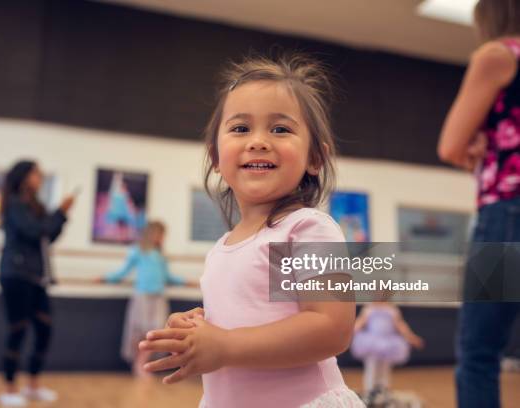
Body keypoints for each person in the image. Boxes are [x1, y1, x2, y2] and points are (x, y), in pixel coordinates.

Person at [139, 54, 364, 407]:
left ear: (315, 159)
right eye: (241, 128)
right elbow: (239, 317)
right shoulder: (220, 248)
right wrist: (195, 328)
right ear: (215, 154)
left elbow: (331, 328)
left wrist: (225, 345)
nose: (258, 141)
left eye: (281, 129)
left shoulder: (308, 229)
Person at [437, 1, 520, 407]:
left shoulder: (499, 54)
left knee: (479, 353)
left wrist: (475, 151)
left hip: (508, 213)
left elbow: (450, 145)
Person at [0, 160, 75, 407]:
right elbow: (34, 231)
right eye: (35, 172)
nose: (40, 176)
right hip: (16, 276)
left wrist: (62, 215)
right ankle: (9, 388)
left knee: (44, 329)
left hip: (36, 278)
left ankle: (32, 385)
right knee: (17, 330)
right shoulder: (15, 204)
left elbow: (48, 235)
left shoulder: (35, 205)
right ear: (23, 176)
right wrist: (60, 212)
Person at [98, 221, 194, 378]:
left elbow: (168, 277)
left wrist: (186, 282)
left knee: (155, 331)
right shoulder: (138, 251)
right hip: (142, 297)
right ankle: (138, 363)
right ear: (151, 234)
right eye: (160, 234)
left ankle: (142, 363)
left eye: (163, 235)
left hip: (158, 298)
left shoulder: (161, 256)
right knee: (139, 331)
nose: (162, 238)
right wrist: (105, 278)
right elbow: (123, 272)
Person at [351, 301, 424, 405]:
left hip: (388, 344)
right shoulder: (369, 308)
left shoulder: (392, 309)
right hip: (372, 343)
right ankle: (369, 392)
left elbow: (400, 325)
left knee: (385, 369)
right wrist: (350, 332)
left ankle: (383, 393)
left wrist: (411, 337)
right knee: (371, 368)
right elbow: (360, 322)